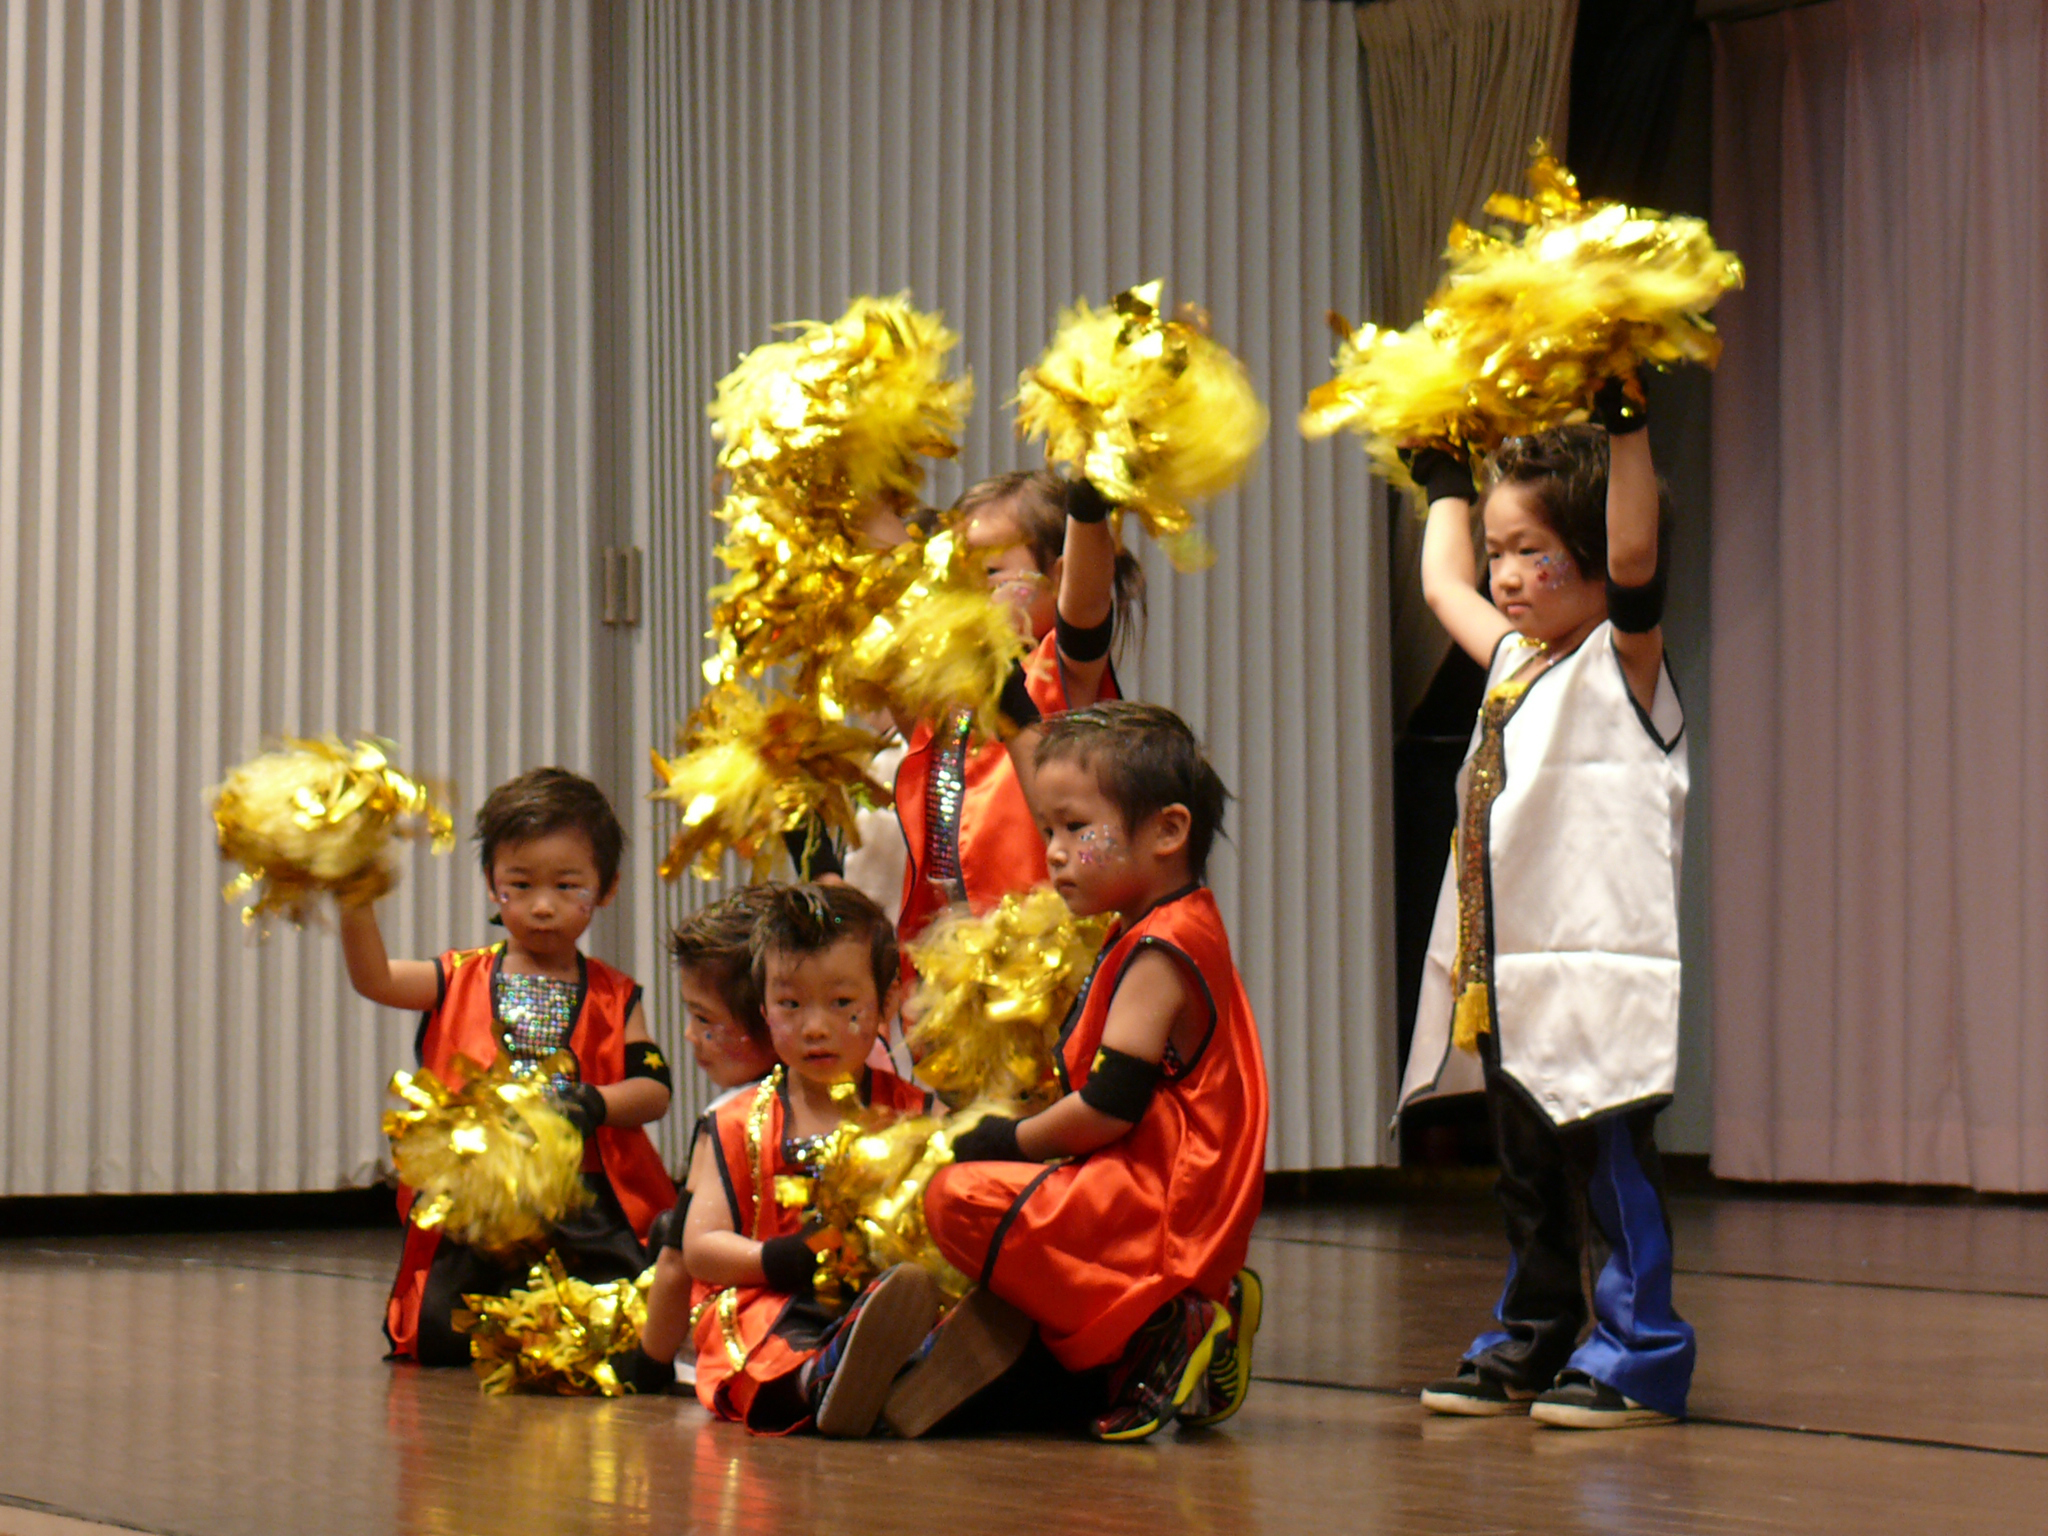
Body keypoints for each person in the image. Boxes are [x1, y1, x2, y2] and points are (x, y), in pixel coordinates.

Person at [1402, 382, 1695, 1429]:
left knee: (1607, 1170)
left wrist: (1626, 433)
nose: (1506, 575)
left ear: (1588, 551)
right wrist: (1442, 476)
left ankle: (1639, 1352)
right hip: (1510, 977)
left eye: (1532, 551)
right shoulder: (1512, 664)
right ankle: (1533, 1334)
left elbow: (1634, 559)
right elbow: (1442, 583)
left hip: (1597, 973)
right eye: (1499, 552)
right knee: (1524, 1175)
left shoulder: (1623, 664)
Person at [900, 701, 1268, 1443]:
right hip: (1157, 1191)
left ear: (1167, 832)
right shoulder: (1165, 923)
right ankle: (1185, 1309)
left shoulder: (1160, 949)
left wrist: (1003, 1140)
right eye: (1048, 832)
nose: (1056, 853)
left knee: (956, 1198)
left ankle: (1168, 1319)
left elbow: (1109, 1108)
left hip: (1166, 1205)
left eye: (1075, 829)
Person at [341, 767, 676, 1365]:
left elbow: (653, 1089)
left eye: (566, 886)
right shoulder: (456, 976)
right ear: (491, 884)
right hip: (480, 1204)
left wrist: (591, 1103)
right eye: (519, 885)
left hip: (582, 1197)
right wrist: (353, 893)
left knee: (618, 1324)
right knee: (444, 1334)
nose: (542, 906)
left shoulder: (616, 995)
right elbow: (376, 978)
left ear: (606, 888)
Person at [681, 882, 937, 1435]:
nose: (815, 1027)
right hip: (777, 1297)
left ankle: (910, 1373)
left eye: (842, 1004)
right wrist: (778, 1260)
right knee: (766, 1337)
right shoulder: (735, 1123)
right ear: (763, 1007)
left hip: (882, 1294)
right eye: (791, 1005)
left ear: (888, 1002)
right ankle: (817, 1379)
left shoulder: (920, 1116)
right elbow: (700, 1249)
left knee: (922, 1305)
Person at [891, 471, 1143, 949]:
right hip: (951, 962)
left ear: (1058, 577)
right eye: (956, 571)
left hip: (1044, 957)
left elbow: (1088, 598)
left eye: (989, 571)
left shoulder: (1059, 670)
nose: (965, 591)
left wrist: (1088, 500)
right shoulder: (948, 694)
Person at [624, 888, 781, 1392]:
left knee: (670, 1230)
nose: (691, 1035)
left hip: (746, 1325)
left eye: (705, 1019)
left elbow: (677, 1262)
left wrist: (648, 1365)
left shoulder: (728, 1118)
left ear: (770, 1020)